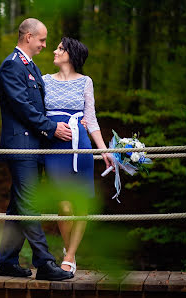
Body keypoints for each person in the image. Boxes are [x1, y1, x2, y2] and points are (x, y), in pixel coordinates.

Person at [0, 18, 74, 281]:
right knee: (28, 203)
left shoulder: (32, 68)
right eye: (41, 40)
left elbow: (42, 105)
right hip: (20, 145)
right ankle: (44, 262)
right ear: (28, 37)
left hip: (33, 146)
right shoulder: (12, 66)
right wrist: (51, 128)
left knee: (18, 204)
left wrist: (75, 119)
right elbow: (23, 107)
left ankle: (7, 262)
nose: (44, 45)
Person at [42, 37, 113, 274]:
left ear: (70, 55)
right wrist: (49, 128)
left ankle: (70, 256)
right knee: (64, 206)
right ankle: (68, 249)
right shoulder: (44, 81)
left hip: (80, 145)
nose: (54, 50)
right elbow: (37, 115)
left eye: (60, 48)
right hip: (54, 146)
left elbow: (90, 119)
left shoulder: (86, 82)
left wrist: (103, 149)